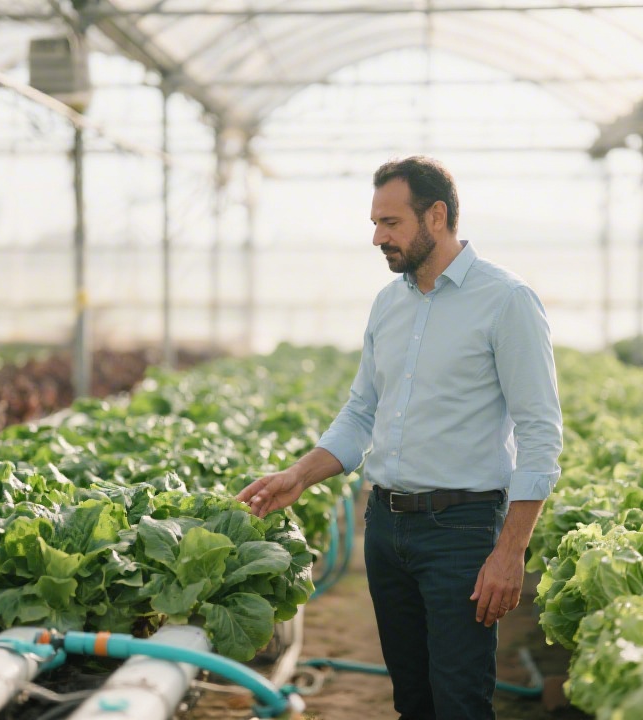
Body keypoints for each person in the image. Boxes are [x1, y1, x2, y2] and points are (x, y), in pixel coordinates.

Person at [236, 156, 563, 720]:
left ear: (435, 216)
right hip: (386, 529)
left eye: (390, 223)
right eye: (374, 223)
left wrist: (510, 553)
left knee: (459, 701)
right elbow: (361, 412)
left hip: (462, 532)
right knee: (412, 699)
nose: (376, 238)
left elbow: (540, 433)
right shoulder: (389, 304)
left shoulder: (506, 300)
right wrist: (298, 475)